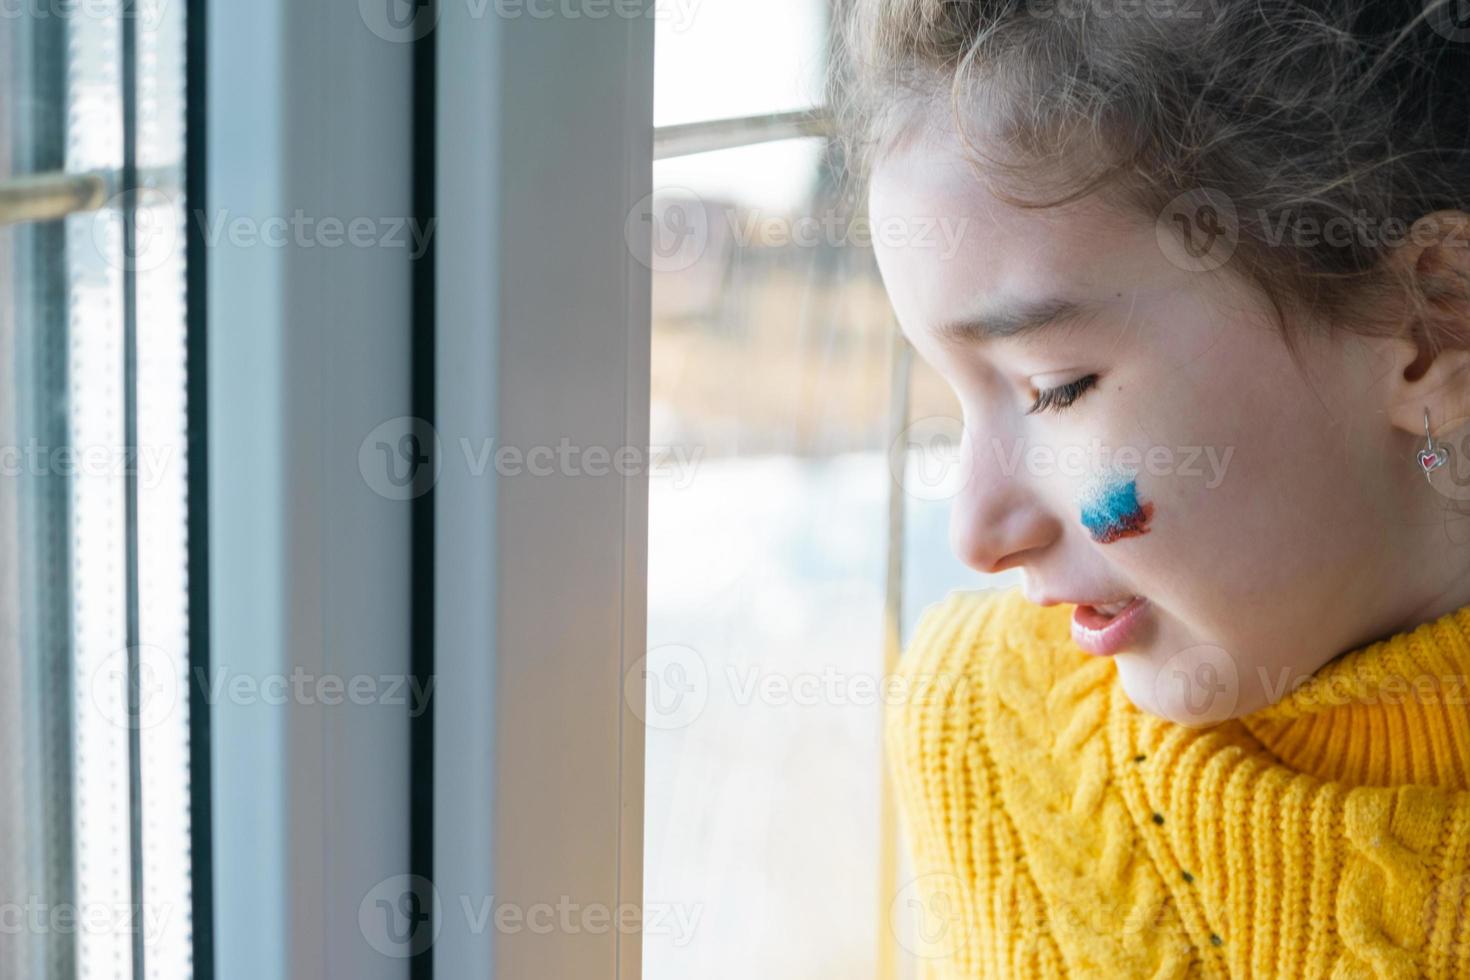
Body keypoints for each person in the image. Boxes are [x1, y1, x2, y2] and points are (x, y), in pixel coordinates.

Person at [834, 0, 1470, 974]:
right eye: (954, 398)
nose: (977, 530)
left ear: (1429, 322)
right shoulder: (983, 731)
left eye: (1056, 389)